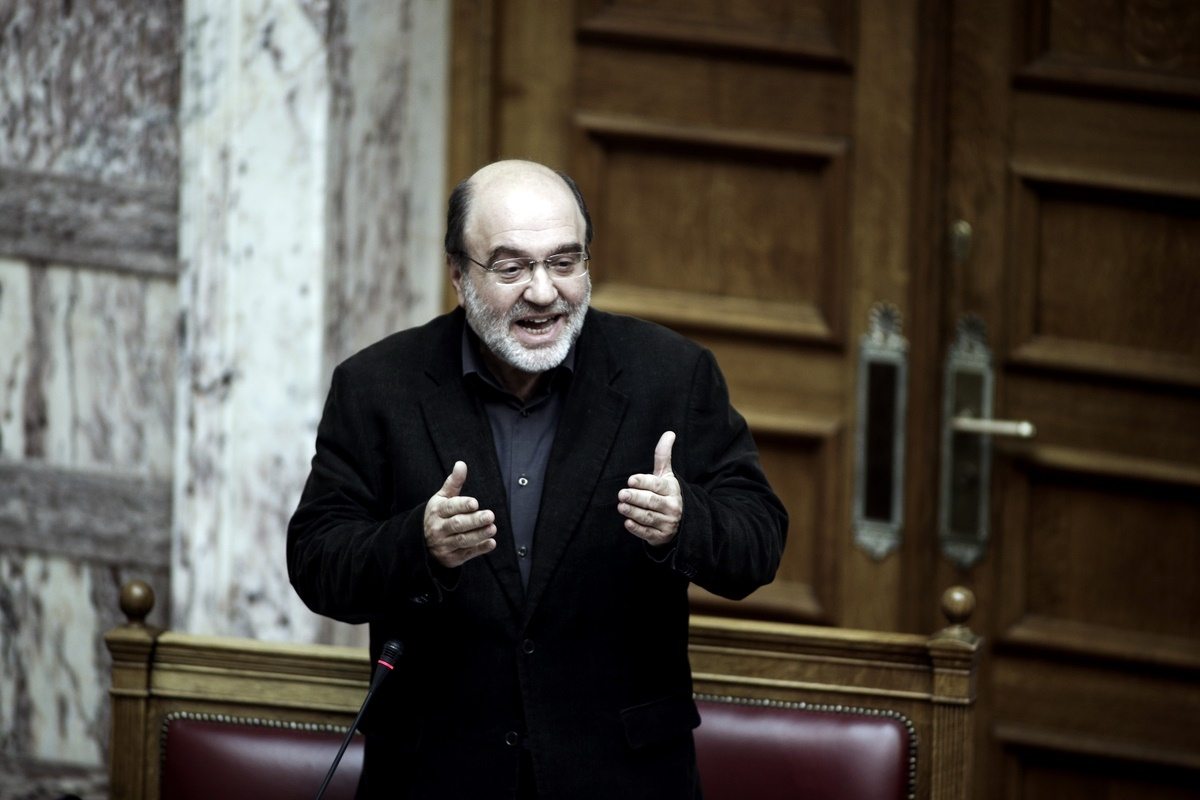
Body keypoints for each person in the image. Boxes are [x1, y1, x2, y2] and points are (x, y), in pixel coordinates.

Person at [287, 159, 787, 799]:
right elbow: (316, 560)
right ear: (458, 274)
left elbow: (759, 540)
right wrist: (419, 544)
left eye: (563, 262)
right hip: (437, 777)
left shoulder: (671, 376)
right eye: (511, 268)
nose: (544, 292)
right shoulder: (377, 387)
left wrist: (685, 522)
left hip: (622, 778)